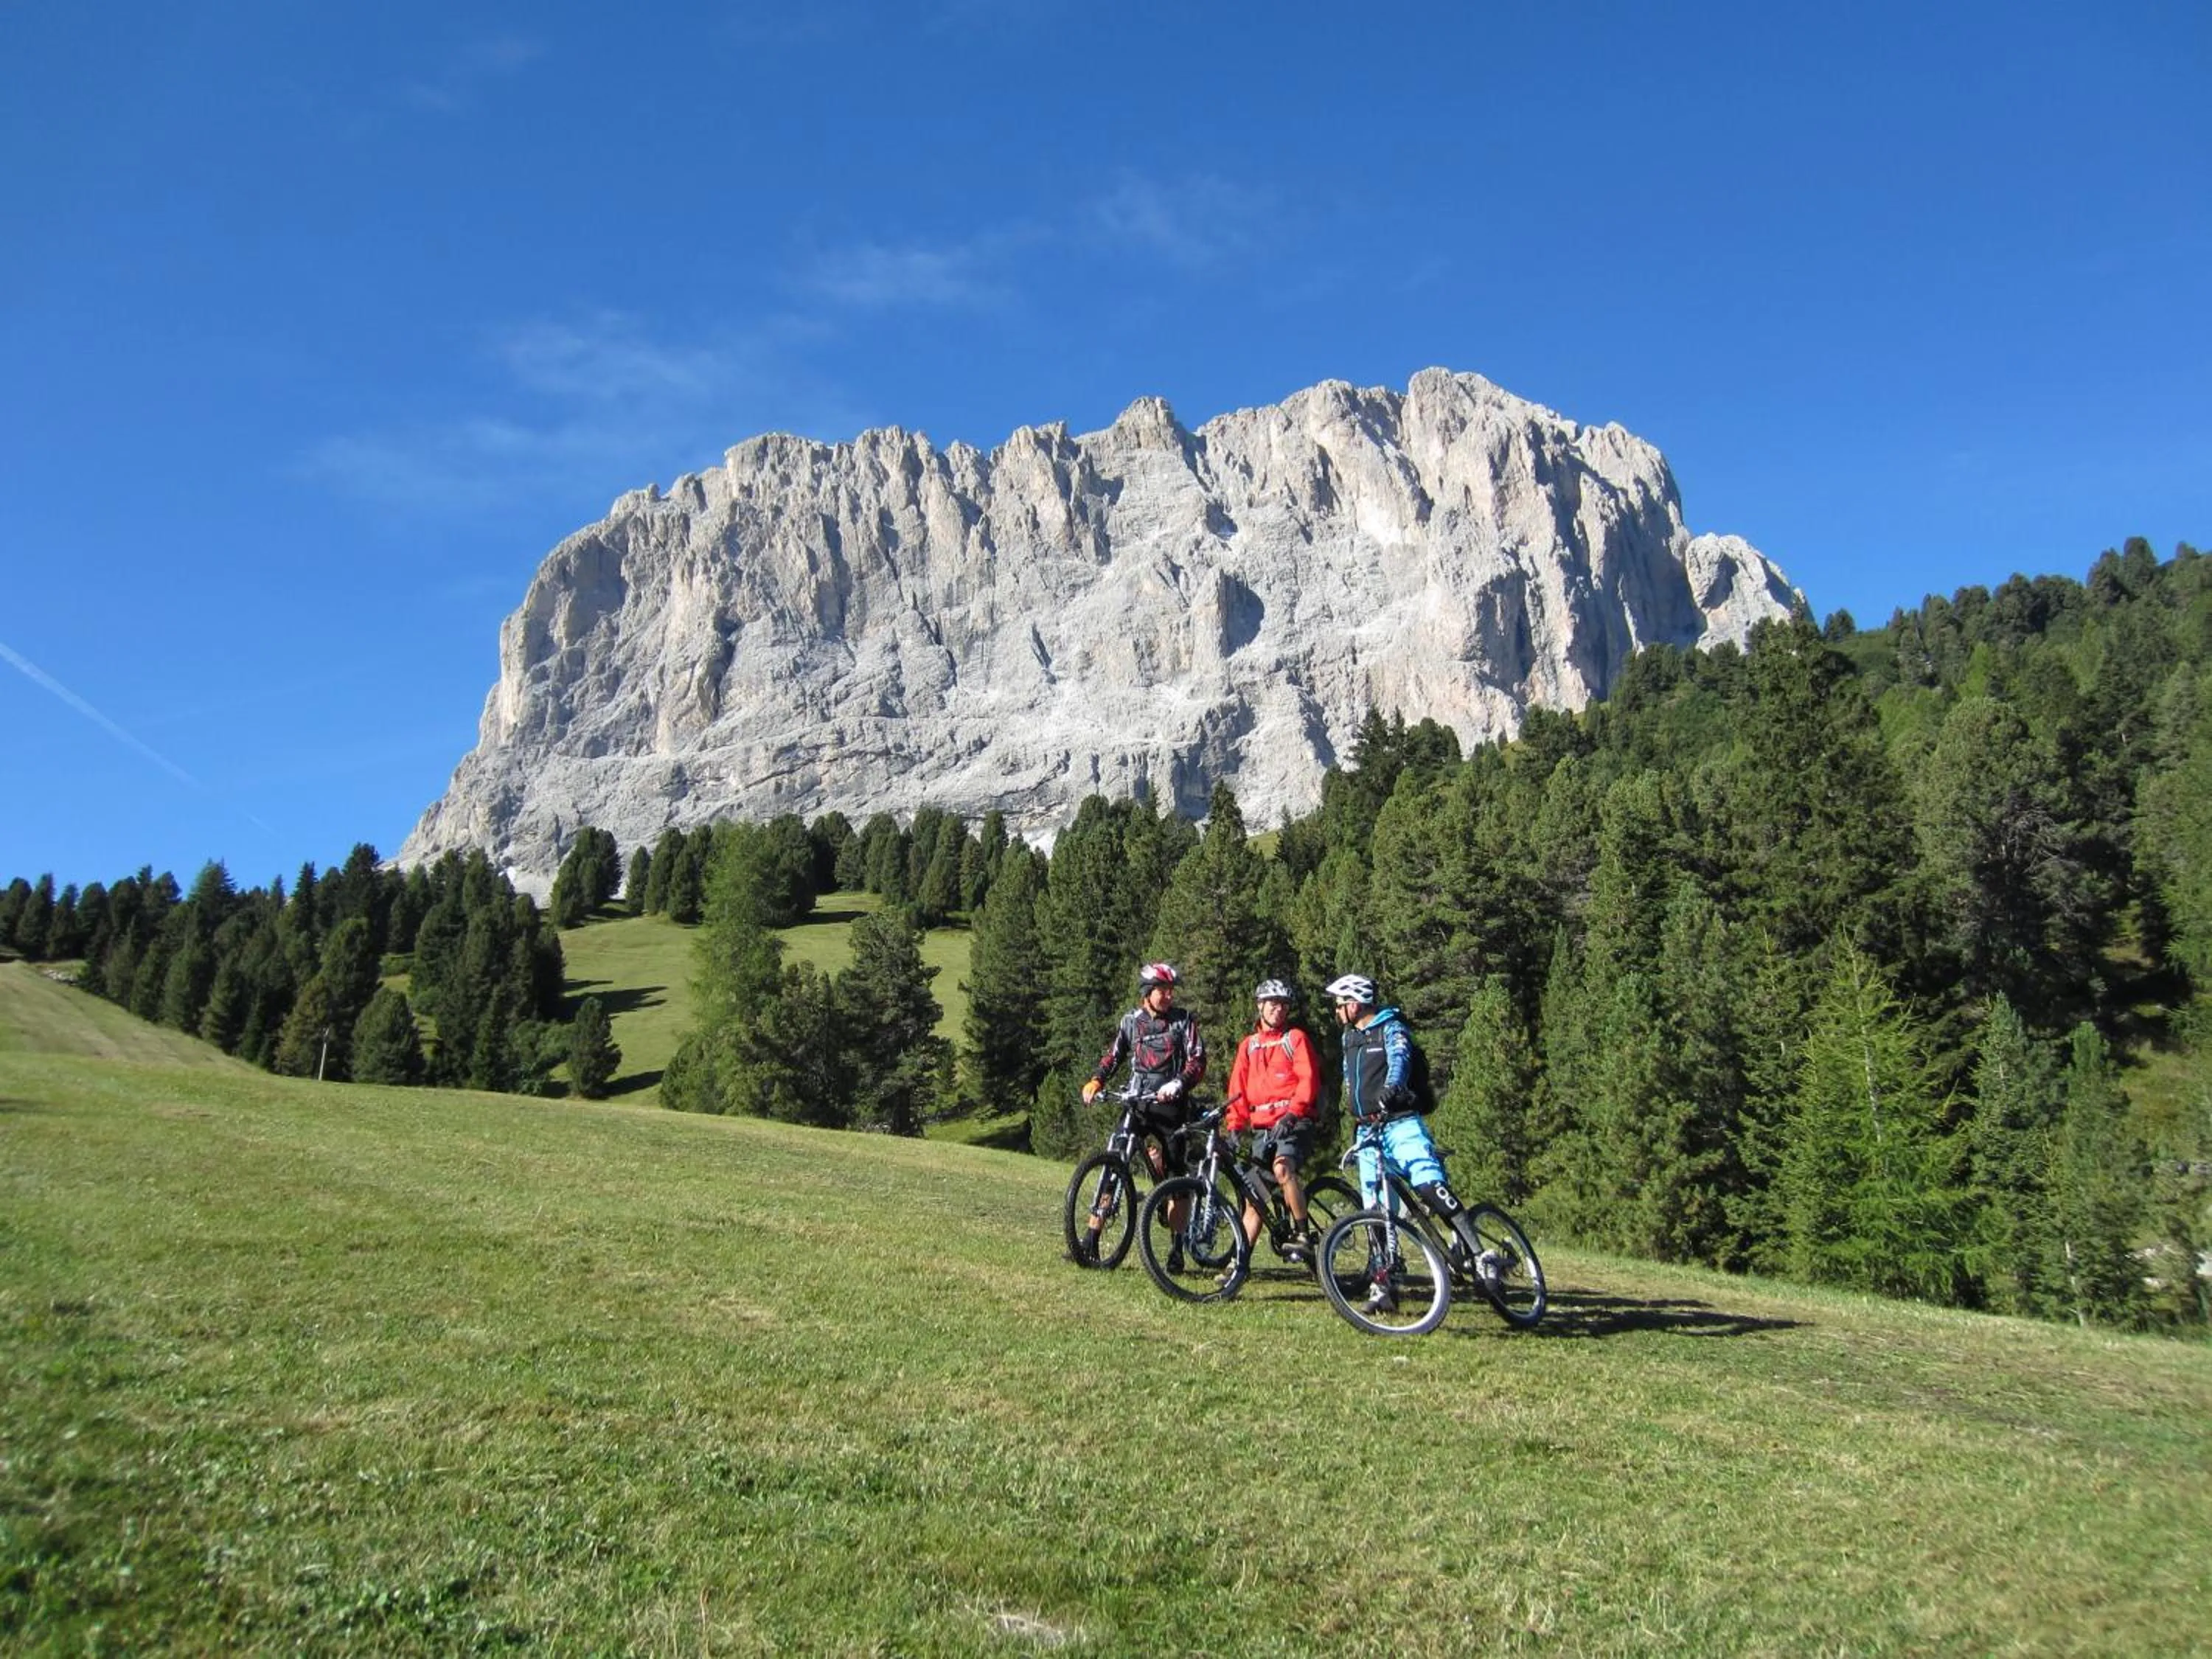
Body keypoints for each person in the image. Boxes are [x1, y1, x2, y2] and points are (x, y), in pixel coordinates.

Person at [1326, 971, 1470, 1314]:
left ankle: (1477, 1252)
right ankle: (1384, 1283)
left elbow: (1400, 1062)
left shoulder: (1392, 1027)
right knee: (1375, 1208)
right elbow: (1350, 1078)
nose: (1336, 1010)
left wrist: (1391, 1091)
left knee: (1426, 1184)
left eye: (1340, 1003)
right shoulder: (1350, 1038)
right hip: (1368, 1130)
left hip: (1400, 1123)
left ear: (1356, 1003)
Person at [1074, 961, 1206, 1263]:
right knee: (1113, 1164)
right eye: (1163, 990)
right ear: (1147, 993)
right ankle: (1091, 1238)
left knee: (1176, 1176)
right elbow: (1114, 1055)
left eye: (1171, 990)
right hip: (1138, 1104)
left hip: (1172, 1107)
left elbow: (1197, 1061)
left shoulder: (1183, 1021)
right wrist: (1096, 1079)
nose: (1169, 996)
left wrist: (1179, 1083)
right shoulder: (1131, 1022)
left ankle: (1177, 1247)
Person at [1223, 978, 1321, 1264]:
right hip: (1263, 1127)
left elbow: (1309, 1079)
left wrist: (1293, 1113)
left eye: (1284, 1005)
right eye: (1273, 1004)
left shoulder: (1295, 1039)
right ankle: (1238, 1265)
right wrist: (1235, 1126)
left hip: (1294, 1121)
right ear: (1260, 1007)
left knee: (1282, 1168)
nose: (1279, 1010)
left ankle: (1303, 1234)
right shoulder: (1249, 1046)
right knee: (1255, 1197)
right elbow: (1237, 1091)